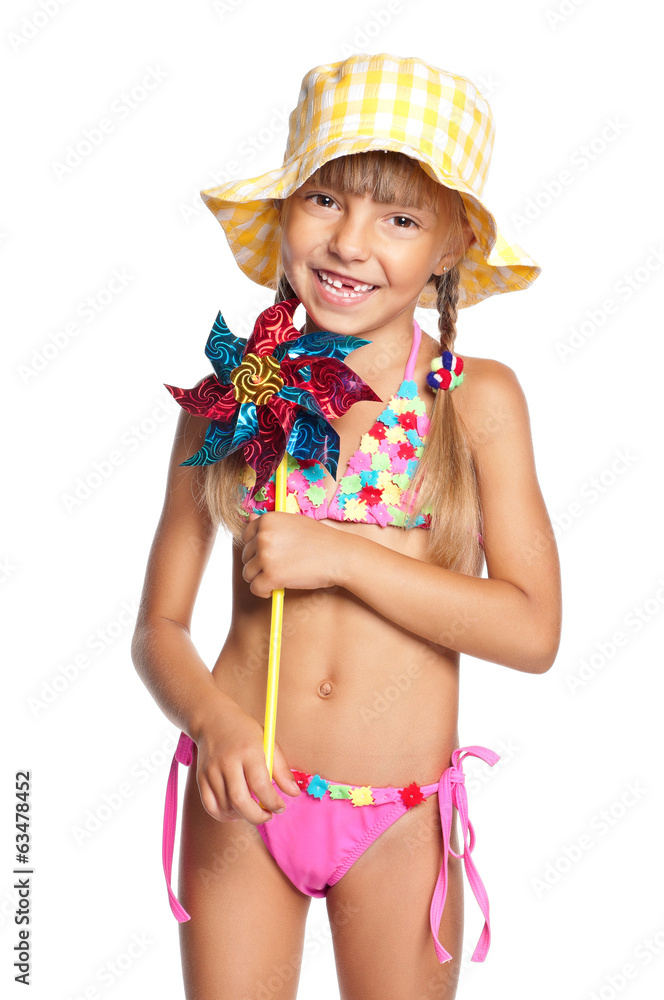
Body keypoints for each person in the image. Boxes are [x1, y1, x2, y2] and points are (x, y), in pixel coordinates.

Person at [132, 53, 562, 1000]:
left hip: (397, 819)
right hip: (244, 801)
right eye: (324, 200)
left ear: (450, 246)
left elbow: (532, 630)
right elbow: (158, 627)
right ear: (286, 210)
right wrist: (213, 722)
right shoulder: (234, 395)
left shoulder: (475, 401)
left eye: (399, 219)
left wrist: (342, 555)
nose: (350, 243)